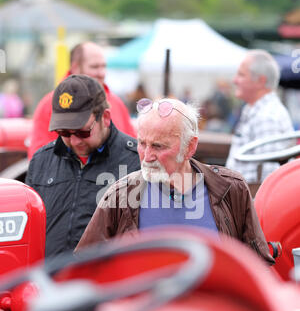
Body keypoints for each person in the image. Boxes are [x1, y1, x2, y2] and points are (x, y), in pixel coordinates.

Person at [75, 97, 274, 265]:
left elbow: (258, 266)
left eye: (158, 146)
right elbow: (83, 267)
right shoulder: (120, 196)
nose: (147, 156)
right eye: (142, 143)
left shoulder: (231, 189)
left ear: (190, 147)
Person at [26, 74, 140, 258]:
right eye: (63, 132)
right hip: (50, 282)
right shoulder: (41, 161)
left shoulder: (137, 161)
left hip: (107, 282)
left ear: (106, 117)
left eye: (82, 131)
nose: (74, 140)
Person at [27, 42, 136, 160]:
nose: (101, 73)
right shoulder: (50, 105)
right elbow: (40, 159)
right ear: (75, 68)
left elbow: (133, 149)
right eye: (94, 67)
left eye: (103, 66)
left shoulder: (116, 103)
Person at [226, 50, 294, 183]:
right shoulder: (261, 110)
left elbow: (270, 179)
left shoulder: (267, 116)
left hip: (248, 200)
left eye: (241, 74)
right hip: (243, 196)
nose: (235, 80)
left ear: (260, 81)